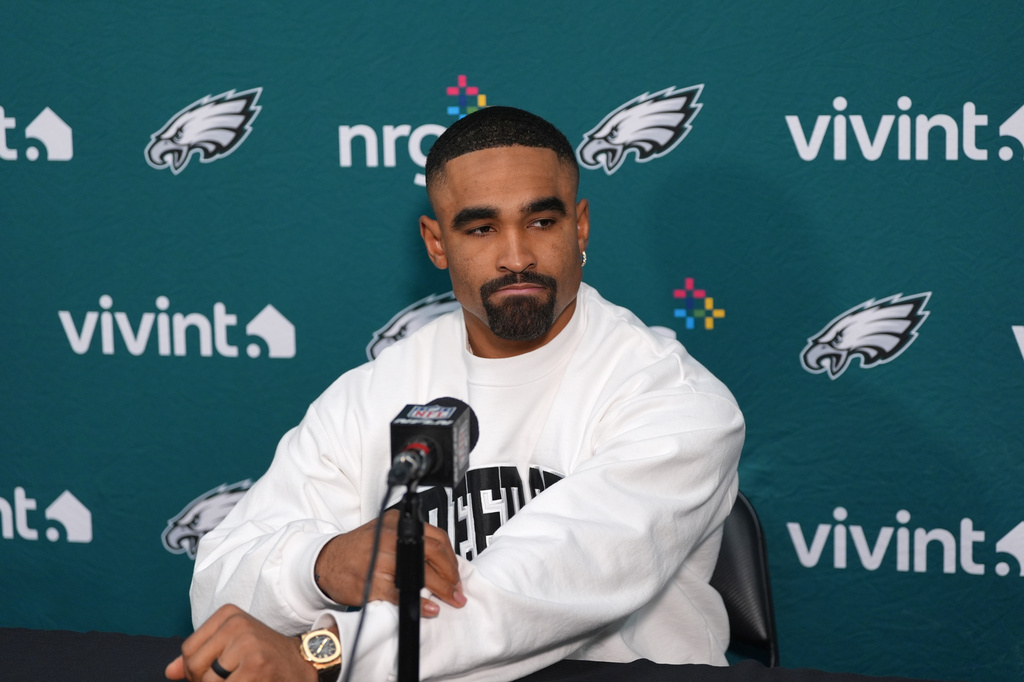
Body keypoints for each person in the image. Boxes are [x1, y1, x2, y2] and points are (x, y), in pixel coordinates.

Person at [167, 106, 745, 682]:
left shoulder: (676, 399)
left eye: (541, 222)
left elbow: (535, 585)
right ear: (437, 243)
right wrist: (320, 566)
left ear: (580, 226)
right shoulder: (374, 391)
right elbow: (217, 581)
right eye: (481, 228)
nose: (516, 257)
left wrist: (321, 653)